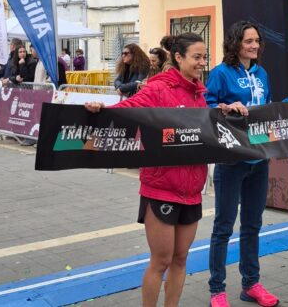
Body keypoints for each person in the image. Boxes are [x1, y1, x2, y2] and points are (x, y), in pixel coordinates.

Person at [85, 33, 223, 307]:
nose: (202, 63)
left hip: (192, 189)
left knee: (181, 259)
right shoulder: (158, 89)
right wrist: (101, 109)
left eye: (204, 57)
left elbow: (204, 130)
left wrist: (224, 111)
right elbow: (127, 110)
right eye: (197, 57)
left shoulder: (199, 93)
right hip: (161, 188)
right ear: (179, 58)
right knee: (161, 260)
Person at [205, 21, 278, 307]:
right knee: (223, 227)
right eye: (249, 41)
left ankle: (251, 285)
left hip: (259, 159)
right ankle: (217, 290)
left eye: (257, 41)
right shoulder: (220, 74)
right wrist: (224, 107)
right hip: (231, 160)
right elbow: (206, 107)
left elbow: (269, 107)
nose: (255, 46)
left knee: (252, 225)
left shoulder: (263, 73)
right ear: (236, 43)